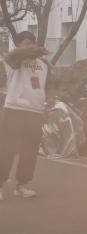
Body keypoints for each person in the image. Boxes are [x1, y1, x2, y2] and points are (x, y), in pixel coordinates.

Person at [1, 31, 53, 200]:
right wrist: (33, 50)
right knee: (6, 149)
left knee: (29, 151)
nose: (30, 47)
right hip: (14, 110)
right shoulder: (14, 61)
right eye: (26, 44)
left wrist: (47, 104)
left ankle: (22, 185)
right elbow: (13, 55)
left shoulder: (43, 64)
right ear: (18, 46)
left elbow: (46, 87)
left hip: (35, 112)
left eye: (32, 43)